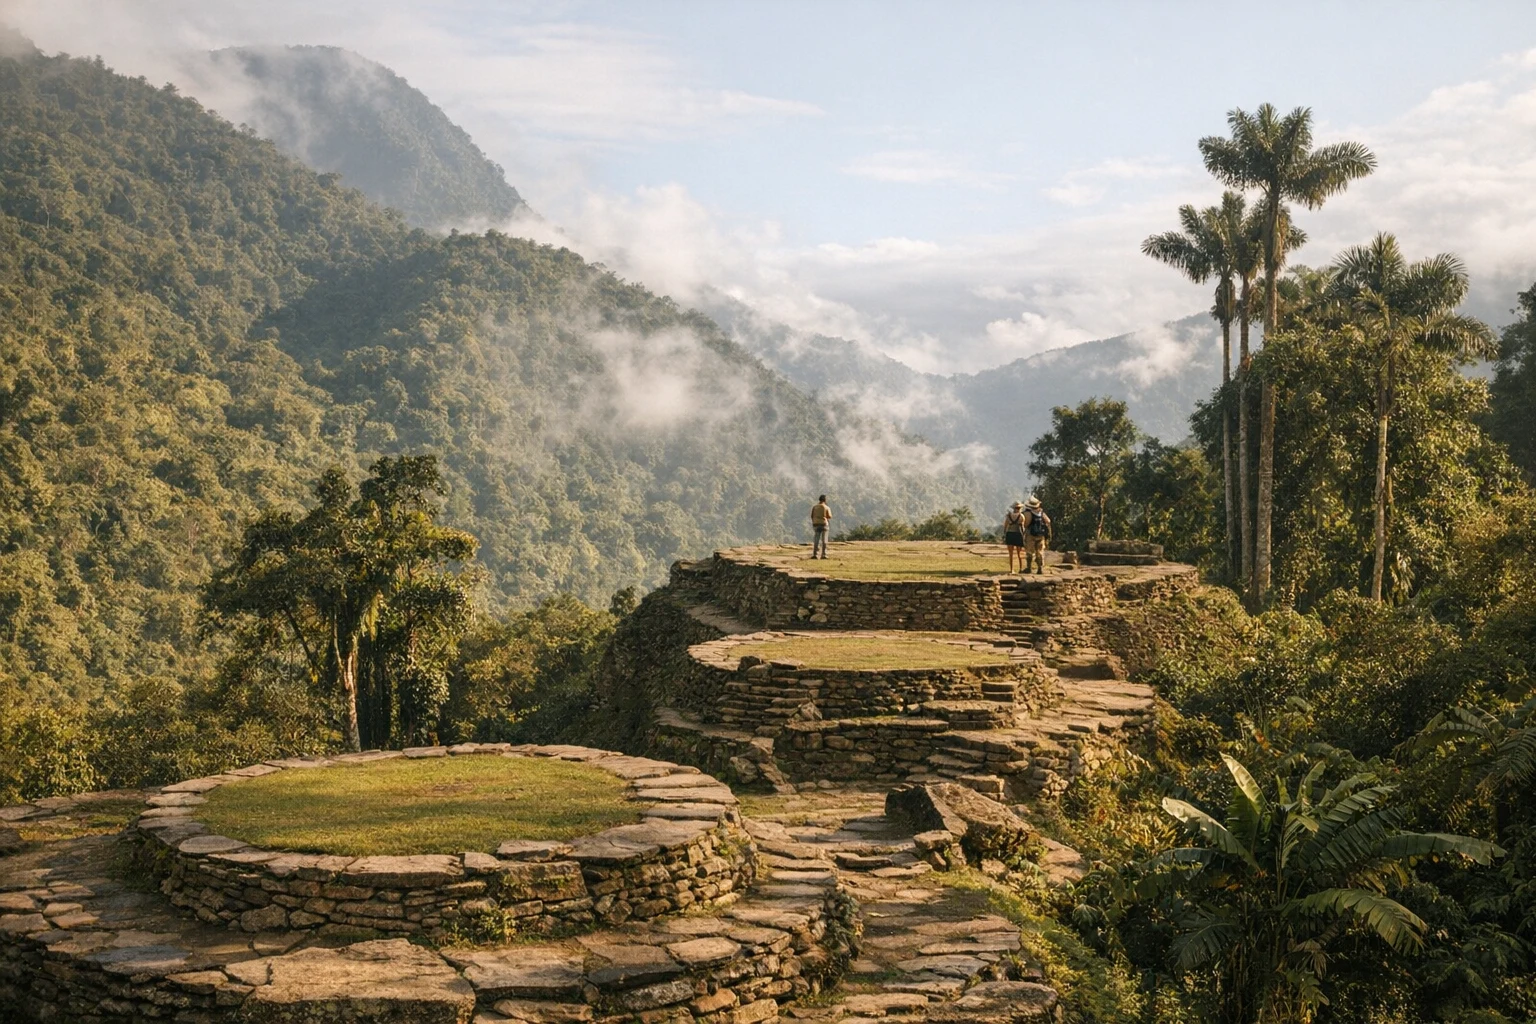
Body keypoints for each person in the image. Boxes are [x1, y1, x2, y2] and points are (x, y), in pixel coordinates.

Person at [1022, 496, 1051, 574]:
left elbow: (1025, 524)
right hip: (1041, 535)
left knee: (1029, 551)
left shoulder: (1027, 513)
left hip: (1030, 535)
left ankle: (1029, 568)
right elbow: (1048, 521)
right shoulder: (1041, 512)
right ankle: (1040, 568)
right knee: (1040, 551)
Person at [1002, 501, 1027, 573]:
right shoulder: (1021, 516)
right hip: (1018, 534)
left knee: (1011, 553)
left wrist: (1005, 534)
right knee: (1019, 553)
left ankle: (1011, 569)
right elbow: (1023, 527)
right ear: (1020, 508)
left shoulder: (1008, 516)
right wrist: (1024, 536)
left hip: (1010, 534)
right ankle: (1020, 568)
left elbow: (1005, 526)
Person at [810, 494, 832, 559]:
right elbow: (830, 516)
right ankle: (824, 554)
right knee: (824, 540)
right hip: (824, 524)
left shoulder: (815, 507)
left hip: (816, 524)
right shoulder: (826, 507)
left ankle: (815, 554)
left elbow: (812, 516)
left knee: (816, 539)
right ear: (825, 500)